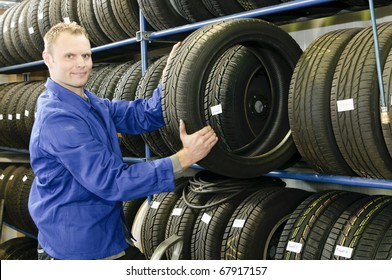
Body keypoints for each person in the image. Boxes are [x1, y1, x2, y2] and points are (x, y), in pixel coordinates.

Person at [28, 22, 218, 260]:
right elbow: (112, 181)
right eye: (69, 56)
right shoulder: (58, 119)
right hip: (79, 247)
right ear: (48, 58)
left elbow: (146, 114)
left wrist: (171, 77)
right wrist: (185, 158)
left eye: (85, 55)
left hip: (105, 229)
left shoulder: (91, 104)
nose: (81, 64)